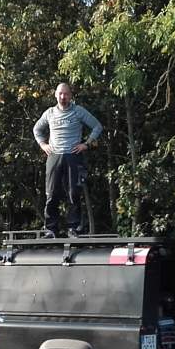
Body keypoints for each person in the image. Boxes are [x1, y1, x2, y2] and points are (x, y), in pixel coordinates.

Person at [32, 82, 102, 237]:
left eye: (66, 94)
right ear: (55, 95)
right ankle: (51, 229)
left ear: (71, 95)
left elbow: (97, 126)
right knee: (51, 193)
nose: (63, 97)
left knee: (73, 193)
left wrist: (87, 144)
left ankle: (74, 227)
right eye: (60, 94)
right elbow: (36, 129)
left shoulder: (78, 111)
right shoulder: (49, 113)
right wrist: (43, 144)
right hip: (54, 156)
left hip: (73, 155)